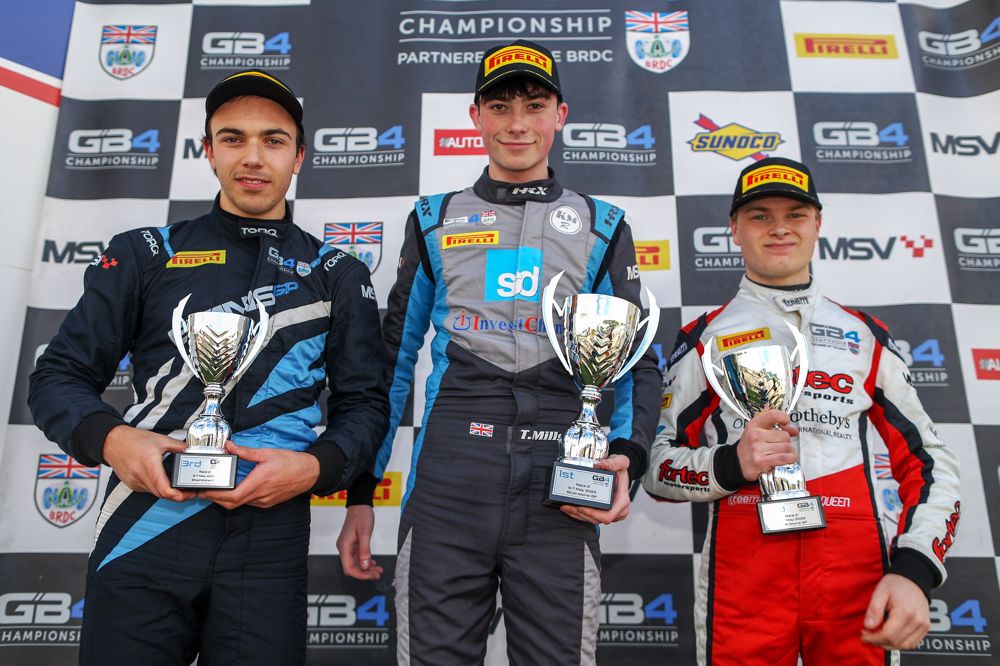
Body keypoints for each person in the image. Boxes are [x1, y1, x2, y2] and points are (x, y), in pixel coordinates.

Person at [28, 69, 389, 665]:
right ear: (208, 150)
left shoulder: (337, 272)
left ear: (299, 156)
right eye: (232, 138)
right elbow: (57, 378)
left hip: (269, 534)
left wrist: (315, 467)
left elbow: (366, 405)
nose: (252, 157)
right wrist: (115, 442)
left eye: (273, 140)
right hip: (143, 518)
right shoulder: (146, 251)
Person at [335, 40, 661, 664]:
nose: (518, 123)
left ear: (560, 115)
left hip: (563, 478)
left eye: (534, 105)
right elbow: (390, 367)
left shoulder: (604, 223)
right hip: (449, 480)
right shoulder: (434, 219)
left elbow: (637, 358)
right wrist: (360, 492)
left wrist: (627, 456)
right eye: (501, 105)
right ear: (475, 116)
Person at [641, 157, 961, 665]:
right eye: (760, 216)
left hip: (856, 566)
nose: (779, 227)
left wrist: (915, 568)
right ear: (734, 230)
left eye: (795, 213)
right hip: (747, 563)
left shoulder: (863, 335)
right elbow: (656, 467)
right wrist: (731, 464)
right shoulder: (704, 339)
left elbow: (931, 463)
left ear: (818, 225)